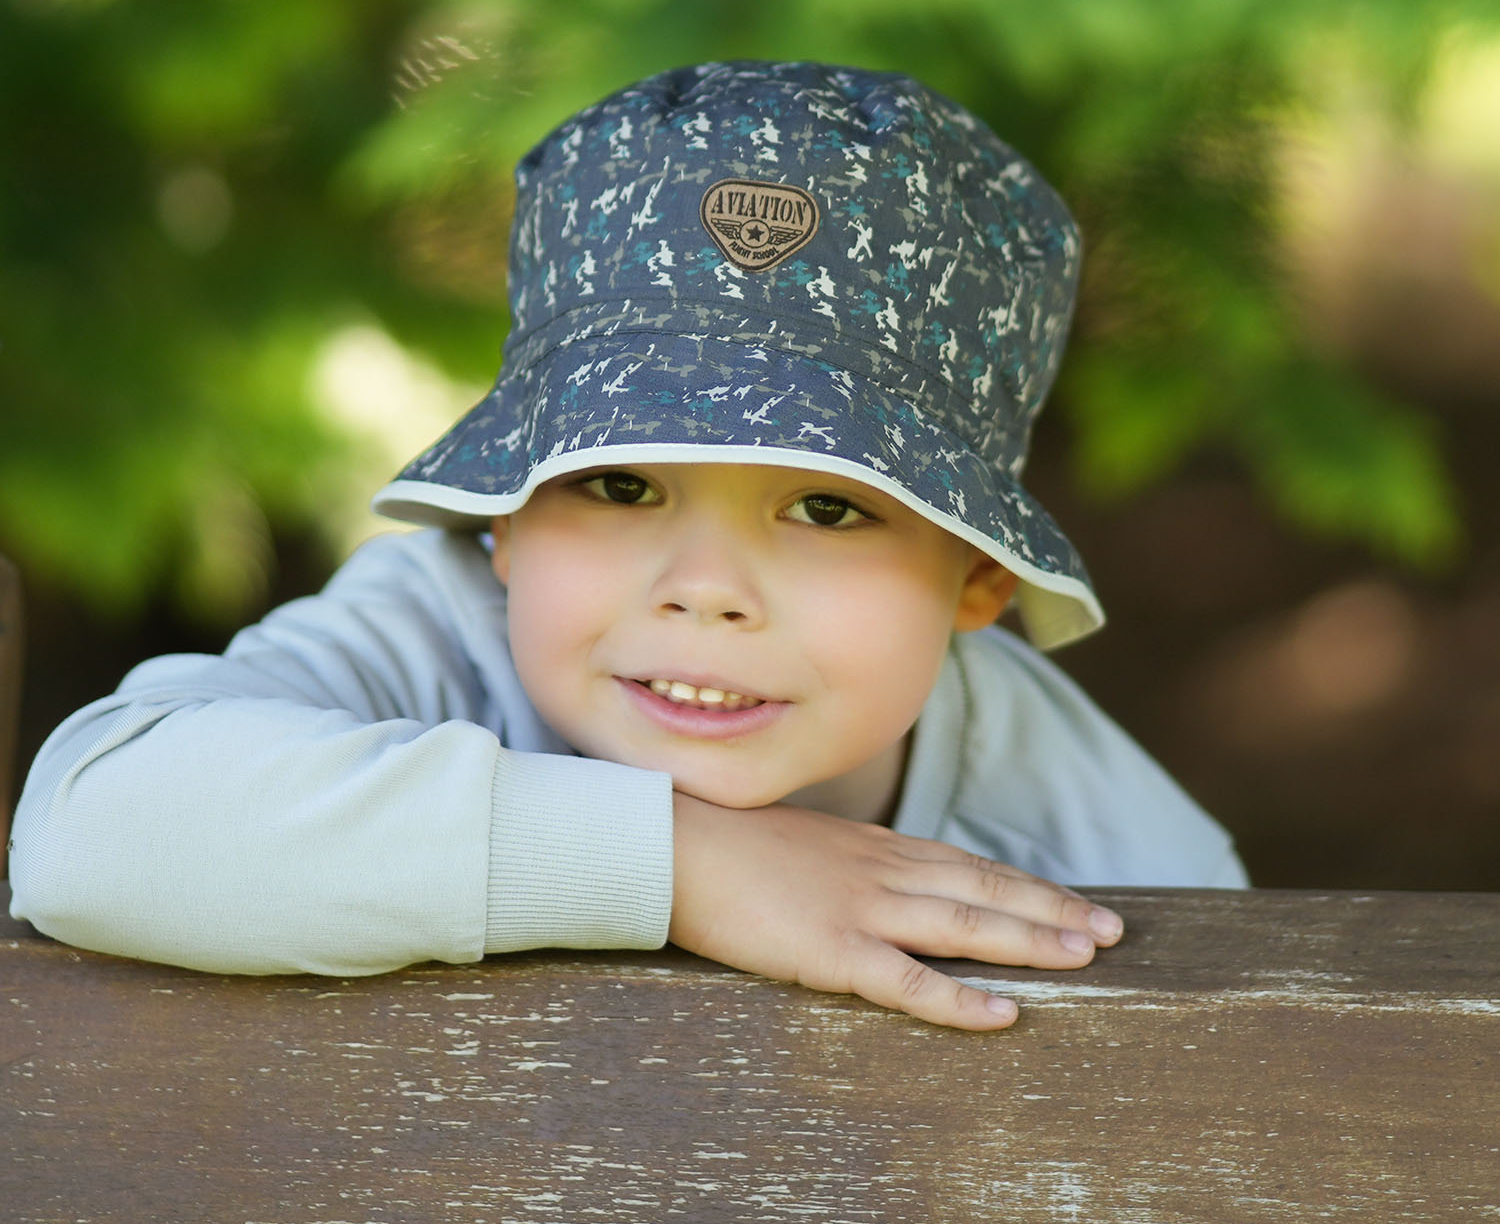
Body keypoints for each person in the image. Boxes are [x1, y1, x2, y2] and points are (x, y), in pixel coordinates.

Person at [8, 60, 1247, 1030]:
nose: (704, 592)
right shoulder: (429, 630)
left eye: (828, 506)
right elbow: (89, 830)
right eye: (617, 482)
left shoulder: (1097, 852)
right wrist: (678, 863)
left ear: (978, 574)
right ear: (503, 514)